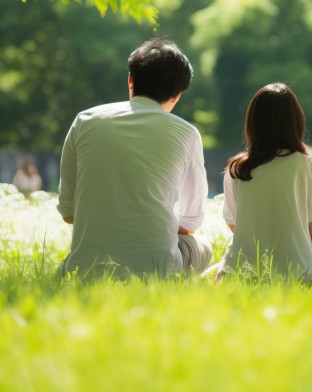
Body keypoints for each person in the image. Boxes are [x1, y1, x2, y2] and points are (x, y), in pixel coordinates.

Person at [57, 39, 212, 279]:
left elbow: (69, 213)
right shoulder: (186, 133)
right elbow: (189, 225)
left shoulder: (84, 121)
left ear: (131, 80)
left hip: (84, 270)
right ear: (177, 94)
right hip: (158, 270)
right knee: (202, 247)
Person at [219, 83, 312, 282]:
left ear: (252, 123)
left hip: (242, 274)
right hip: (299, 274)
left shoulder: (237, 169)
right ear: (296, 121)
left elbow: (235, 225)